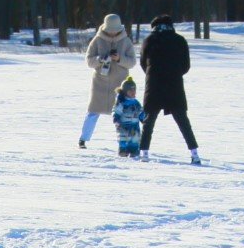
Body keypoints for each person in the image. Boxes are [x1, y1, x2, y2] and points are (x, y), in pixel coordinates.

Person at [139, 13, 201, 164]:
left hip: (153, 84)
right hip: (174, 84)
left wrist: (152, 73)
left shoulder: (149, 40)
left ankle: (144, 153)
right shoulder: (179, 40)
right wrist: (175, 72)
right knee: (183, 121)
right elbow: (186, 65)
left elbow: (143, 63)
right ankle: (194, 153)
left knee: (149, 120)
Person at [80, 14, 136, 148]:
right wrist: (100, 59)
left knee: (122, 113)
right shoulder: (97, 40)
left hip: (120, 84)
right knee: (93, 111)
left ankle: (125, 142)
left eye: (114, 30)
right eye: (110, 29)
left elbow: (132, 62)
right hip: (100, 81)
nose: (112, 32)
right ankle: (83, 139)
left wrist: (119, 59)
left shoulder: (126, 41)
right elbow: (89, 61)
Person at [113, 77, 144, 158]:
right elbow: (117, 112)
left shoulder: (136, 102)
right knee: (123, 138)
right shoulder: (121, 102)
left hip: (134, 126)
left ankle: (134, 151)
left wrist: (145, 119)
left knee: (135, 139)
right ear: (125, 92)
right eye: (130, 91)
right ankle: (123, 151)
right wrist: (117, 120)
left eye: (134, 90)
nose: (133, 92)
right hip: (123, 126)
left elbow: (140, 112)